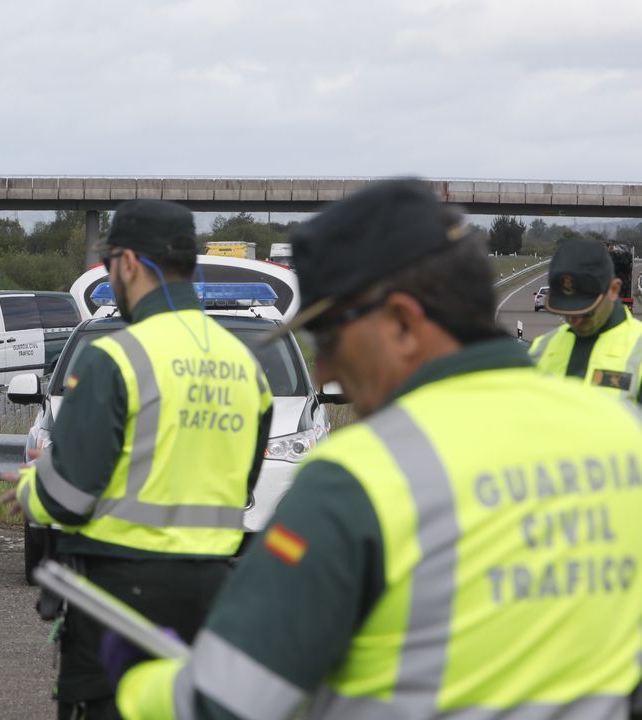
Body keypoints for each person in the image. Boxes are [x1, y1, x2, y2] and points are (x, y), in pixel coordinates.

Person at [111, 178, 642, 720]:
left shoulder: (359, 478)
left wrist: (137, 681)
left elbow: (218, 703)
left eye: (331, 338)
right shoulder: (625, 438)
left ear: (404, 324)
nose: (325, 370)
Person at [1, 199, 274, 719]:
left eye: (109, 266)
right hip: (213, 593)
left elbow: (70, 497)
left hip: (119, 600)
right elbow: (242, 487)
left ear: (128, 264)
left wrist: (32, 487)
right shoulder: (247, 368)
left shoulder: (116, 359)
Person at [529, 236, 642, 401]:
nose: (575, 320)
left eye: (586, 311)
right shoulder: (541, 349)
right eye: (567, 311)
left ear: (614, 289)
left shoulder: (638, 350)